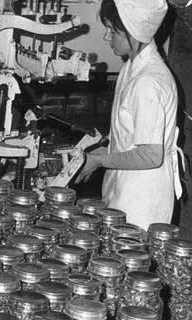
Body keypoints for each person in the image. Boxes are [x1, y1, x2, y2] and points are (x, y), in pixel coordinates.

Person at [76, 0, 184, 230]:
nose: (106, 37)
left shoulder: (148, 81)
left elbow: (150, 155)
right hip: (122, 191)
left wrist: (98, 160)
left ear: (133, 33)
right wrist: (94, 153)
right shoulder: (130, 69)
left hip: (141, 203)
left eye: (112, 30)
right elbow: (128, 141)